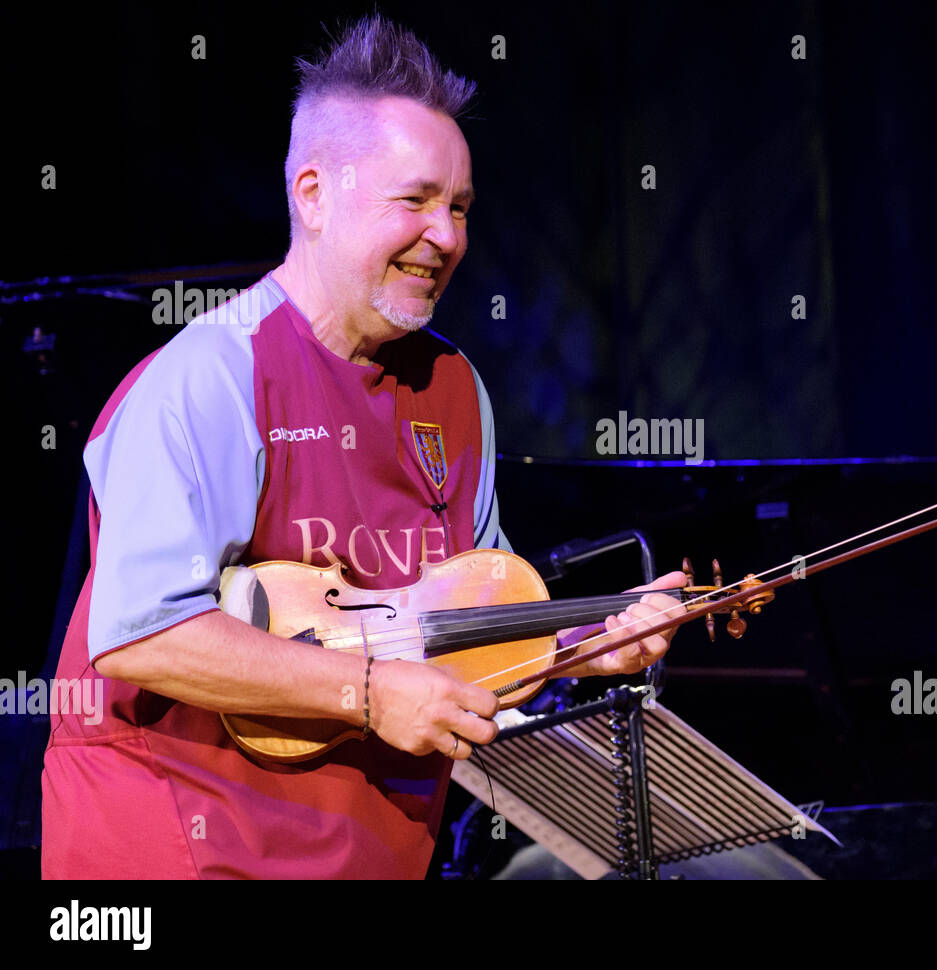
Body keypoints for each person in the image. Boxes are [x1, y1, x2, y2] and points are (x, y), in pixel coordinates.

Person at [40, 15, 686, 879]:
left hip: (367, 854)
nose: (448, 235)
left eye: (458, 207)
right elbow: (141, 635)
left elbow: (461, 630)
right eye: (415, 200)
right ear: (312, 193)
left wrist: (581, 644)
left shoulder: (453, 388)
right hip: (183, 850)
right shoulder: (213, 376)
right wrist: (370, 694)